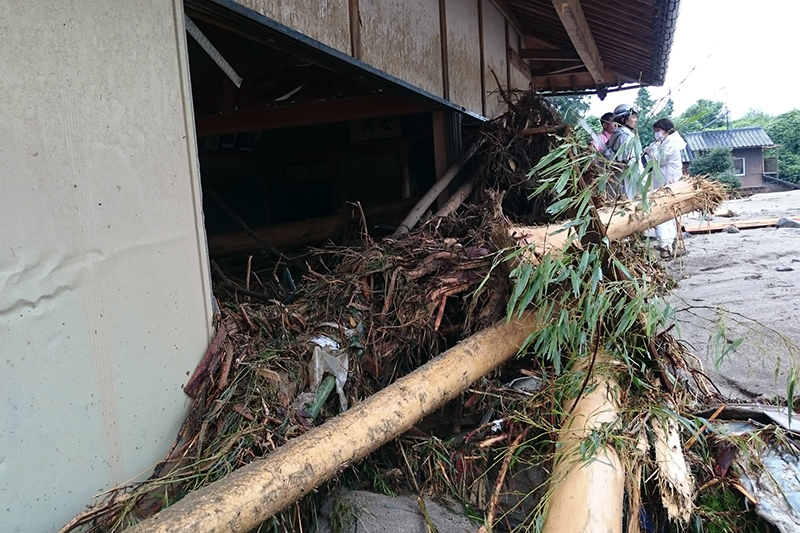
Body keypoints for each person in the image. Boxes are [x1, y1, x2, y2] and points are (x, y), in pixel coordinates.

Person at [643, 118, 687, 258]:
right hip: (664, 183)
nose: (656, 134)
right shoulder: (664, 142)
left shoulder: (671, 143)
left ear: (667, 130)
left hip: (668, 183)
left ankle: (665, 246)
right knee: (668, 215)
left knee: (663, 215)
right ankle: (668, 245)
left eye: (658, 131)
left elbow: (658, 159)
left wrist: (652, 149)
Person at [602, 103, 642, 198]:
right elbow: (632, 162)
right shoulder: (626, 137)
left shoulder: (616, 135)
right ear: (623, 119)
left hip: (618, 182)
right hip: (627, 182)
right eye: (633, 117)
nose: (636, 120)